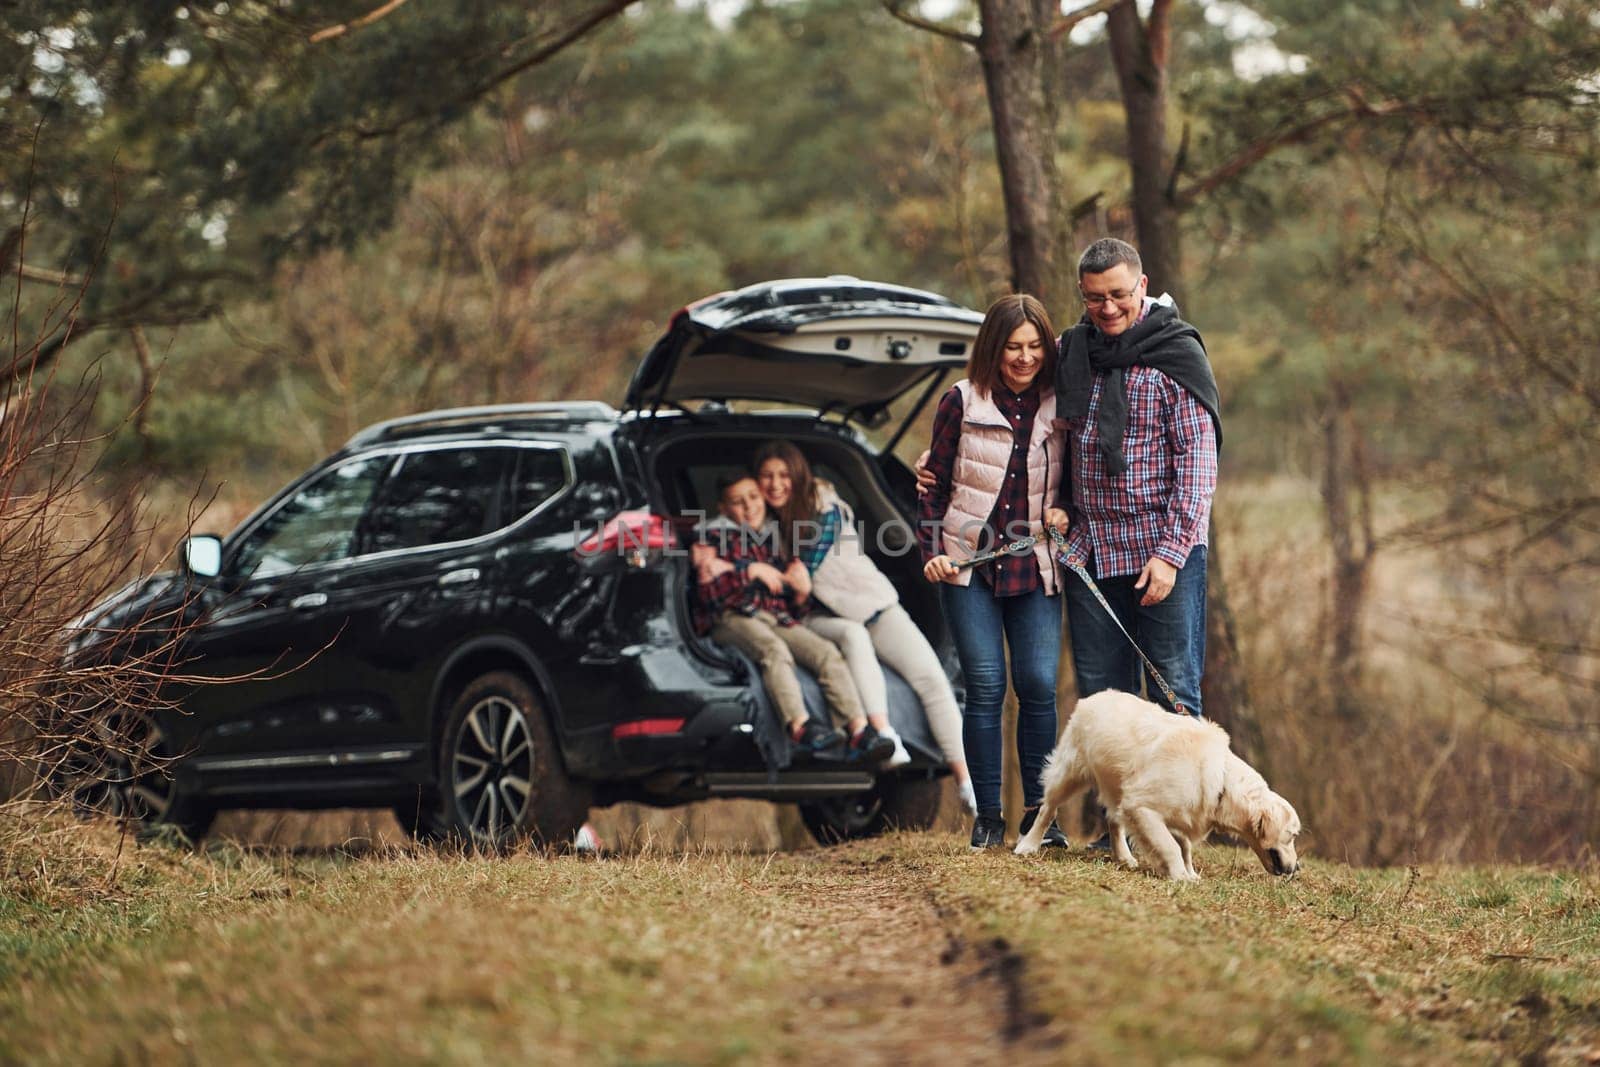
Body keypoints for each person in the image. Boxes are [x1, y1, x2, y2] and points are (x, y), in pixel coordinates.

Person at [917, 293, 1072, 851]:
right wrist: (931, 547)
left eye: (1034, 347)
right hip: (969, 567)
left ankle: (1040, 815)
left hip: (1036, 564)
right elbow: (932, 484)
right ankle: (987, 816)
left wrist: (1065, 511)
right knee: (985, 687)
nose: (1025, 358)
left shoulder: (1062, 402)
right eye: (1013, 347)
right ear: (993, 348)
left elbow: (1078, 479)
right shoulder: (961, 401)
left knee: (1036, 685)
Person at [752, 439, 978, 817]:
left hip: (872, 604)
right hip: (820, 618)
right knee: (853, 640)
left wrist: (795, 573)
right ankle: (883, 733)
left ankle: (968, 782)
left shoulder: (824, 503)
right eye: (766, 476)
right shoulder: (762, 525)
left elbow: (810, 562)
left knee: (932, 681)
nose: (775, 484)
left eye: (783, 475)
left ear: (798, 476)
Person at [1054, 237, 1220, 720]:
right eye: (1094, 298)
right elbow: (1034, 420)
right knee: (1104, 711)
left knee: (1174, 702)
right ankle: (1118, 801)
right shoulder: (1073, 350)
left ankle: (1173, 800)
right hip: (1093, 550)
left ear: (1142, 285)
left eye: (1119, 294)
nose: (1108, 308)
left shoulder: (1176, 353)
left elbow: (1198, 467)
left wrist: (1169, 558)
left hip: (1164, 551)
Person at [690, 474, 894, 763]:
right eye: (738, 502)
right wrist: (750, 572)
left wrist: (799, 593)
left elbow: (792, 601)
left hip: (776, 616)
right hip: (731, 617)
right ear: (723, 509)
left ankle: (859, 730)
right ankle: (799, 726)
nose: (749, 507)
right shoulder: (712, 537)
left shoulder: (777, 538)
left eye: (753, 497)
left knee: (826, 653)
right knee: (774, 651)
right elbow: (707, 596)